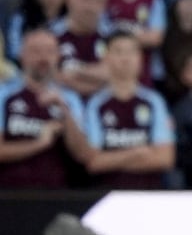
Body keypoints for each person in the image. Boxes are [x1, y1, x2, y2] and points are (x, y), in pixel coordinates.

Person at [0, 29, 92, 189]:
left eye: (50, 51)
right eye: (36, 51)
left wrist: (65, 112)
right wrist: (39, 143)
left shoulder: (70, 99)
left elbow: (83, 155)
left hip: (56, 193)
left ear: (58, 56)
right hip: (10, 193)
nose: (43, 57)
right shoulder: (4, 94)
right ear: (21, 55)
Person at [82, 30, 175, 189]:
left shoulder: (154, 102)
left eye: (132, 52)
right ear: (106, 57)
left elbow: (165, 159)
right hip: (107, 194)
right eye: (118, 51)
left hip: (147, 194)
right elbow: (94, 162)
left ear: (140, 58)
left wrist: (112, 160)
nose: (126, 58)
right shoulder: (95, 105)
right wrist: (136, 153)